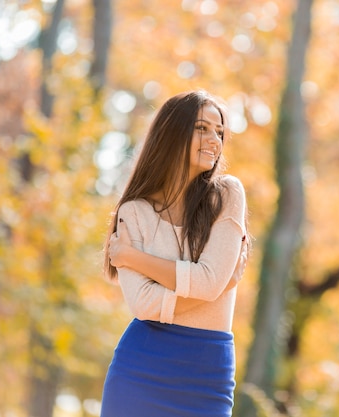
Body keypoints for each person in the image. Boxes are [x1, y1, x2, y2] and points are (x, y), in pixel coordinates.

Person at [100, 90, 250, 417]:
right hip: (140, 370)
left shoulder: (227, 195)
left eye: (219, 132)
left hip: (207, 371)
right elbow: (143, 304)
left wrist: (133, 257)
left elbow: (209, 282)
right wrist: (216, 287)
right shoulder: (134, 212)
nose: (214, 139)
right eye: (202, 128)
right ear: (172, 133)